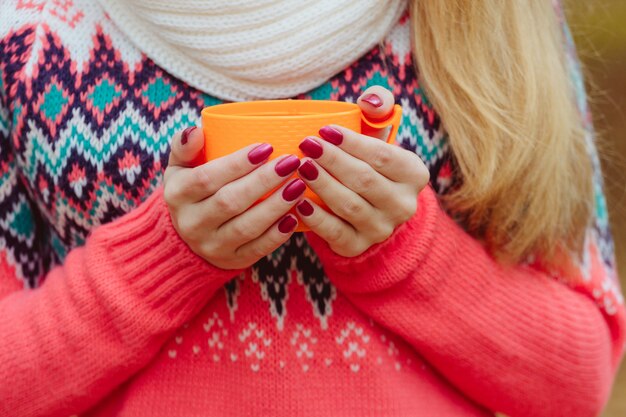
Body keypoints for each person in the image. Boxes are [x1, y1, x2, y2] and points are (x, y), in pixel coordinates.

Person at [0, 0, 624, 416]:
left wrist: (403, 252)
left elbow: (576, 379)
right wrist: (165, 259)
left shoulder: (496, 18)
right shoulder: (27, 27)